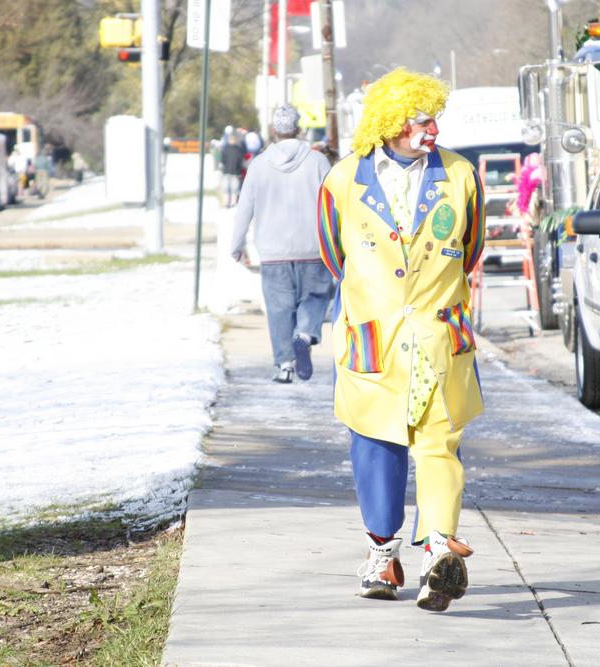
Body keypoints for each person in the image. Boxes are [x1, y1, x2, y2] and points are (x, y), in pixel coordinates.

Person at [316, 68, 486, 612]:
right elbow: (331, 255)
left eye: (434, 118)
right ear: (389, 124)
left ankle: (439, 552)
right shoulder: (342, 181)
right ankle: (382, 555)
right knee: (376, 446)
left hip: (439, 335)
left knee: (440, 445)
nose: (431, 129)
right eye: (419, 120)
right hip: (376, 340)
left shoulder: (461, 175)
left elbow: (473, 245)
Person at [231, 105, 333, 383]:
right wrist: (337, 241)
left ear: (274, 130)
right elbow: (332, 205)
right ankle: (305, 332)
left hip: (273, 251)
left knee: (279, 309)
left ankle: (284, 365)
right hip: (313, 248)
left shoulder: (259, 165)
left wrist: (236, 244)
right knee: (315, 298)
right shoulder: (318, 163)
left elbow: (245, 208)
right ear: (299, 129)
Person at [219, 131, 245, 208]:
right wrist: (239, 169)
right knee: (235, 189)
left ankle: (226, 202)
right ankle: (233, 203)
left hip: (226, 171)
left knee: (226, 188)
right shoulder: (239, 150)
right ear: (236, 140)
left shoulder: (225, 149)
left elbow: (223, 160)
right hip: (236, 172)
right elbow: (240, 162)